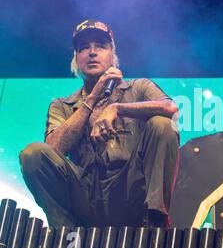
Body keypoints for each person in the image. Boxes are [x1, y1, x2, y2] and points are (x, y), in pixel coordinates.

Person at [19, 19, 180, 228]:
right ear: (76, 58)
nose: (92, 52)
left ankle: (155, 221)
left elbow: (170, 108)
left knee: (162, 124)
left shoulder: (138, 88)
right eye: (84, 48)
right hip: (84, 195)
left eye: (100, 46)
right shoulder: (61, 105)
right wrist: (93, 97)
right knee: (33, 153)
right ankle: (63, 234)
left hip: (130, 191)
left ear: (112, 54)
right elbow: (52, 150)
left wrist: (117, 108)